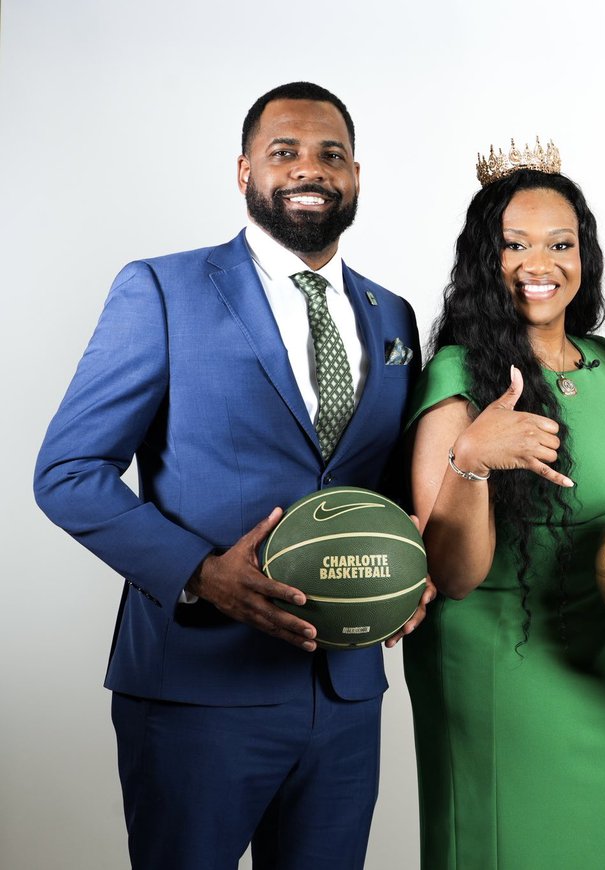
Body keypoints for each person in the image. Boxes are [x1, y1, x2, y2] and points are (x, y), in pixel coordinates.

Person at [33, 81, 427, 870]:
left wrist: (410, 562)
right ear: (244, 172)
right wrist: (201, 574)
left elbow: (382, 485)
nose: (309, 169)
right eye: (284, 152)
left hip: (345, 693)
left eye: (331, 155)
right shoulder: (163, 290)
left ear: (357, 175)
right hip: (196, 688)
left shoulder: (394, 316)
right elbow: (68, 472)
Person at [402, 141, 605, 869]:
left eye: (560, 243)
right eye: (513, 244)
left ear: (585, 255)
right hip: (504, 662)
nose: (538, 262)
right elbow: (451, 573)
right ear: (485, 259)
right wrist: (472, 461)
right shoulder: (459, 373)